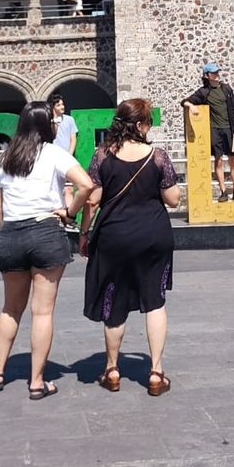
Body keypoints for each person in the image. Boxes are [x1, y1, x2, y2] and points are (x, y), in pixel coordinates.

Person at [0, 102, 94, 399]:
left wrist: (5, 232)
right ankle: (36, 381)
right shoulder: (54, 153)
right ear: (47, 125)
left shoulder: (4, 157)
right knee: (42, 312)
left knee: (10, 308)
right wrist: (69, 212)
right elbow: (86, 185)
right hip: (46, 230)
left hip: (12, 233)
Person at [79, 98, 181, 396]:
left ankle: (112, 369)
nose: (149, 127)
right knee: (155, 301)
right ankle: (156, 372)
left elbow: (92, 200)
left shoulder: (101, 155)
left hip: (114, 237)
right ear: (139, 125)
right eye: (148, 122)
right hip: (153, 235)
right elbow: (173, 199)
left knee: (114, 302)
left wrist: (84, 233)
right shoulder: (158, 157)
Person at [181, 63, 234, 201]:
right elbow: (184, 101)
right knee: (218, 160)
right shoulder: (203, 92)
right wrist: (191, 106)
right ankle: (223, 192)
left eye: (217, 72)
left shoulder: (226, 88)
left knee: (233, 160)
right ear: (207, 76)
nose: (217, 74)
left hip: (229, 129)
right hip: (215, 130)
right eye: (214, 73)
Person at [48, 92, 80, 213]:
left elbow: (73, 138)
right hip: (52, 158)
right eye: (59, 105)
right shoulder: (48, 121)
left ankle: (69, 215)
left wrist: (69, 154)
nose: (62, 107)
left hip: (66, 157)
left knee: (69, 189)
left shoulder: (69, 120)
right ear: (53, 107)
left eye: (62, 104)